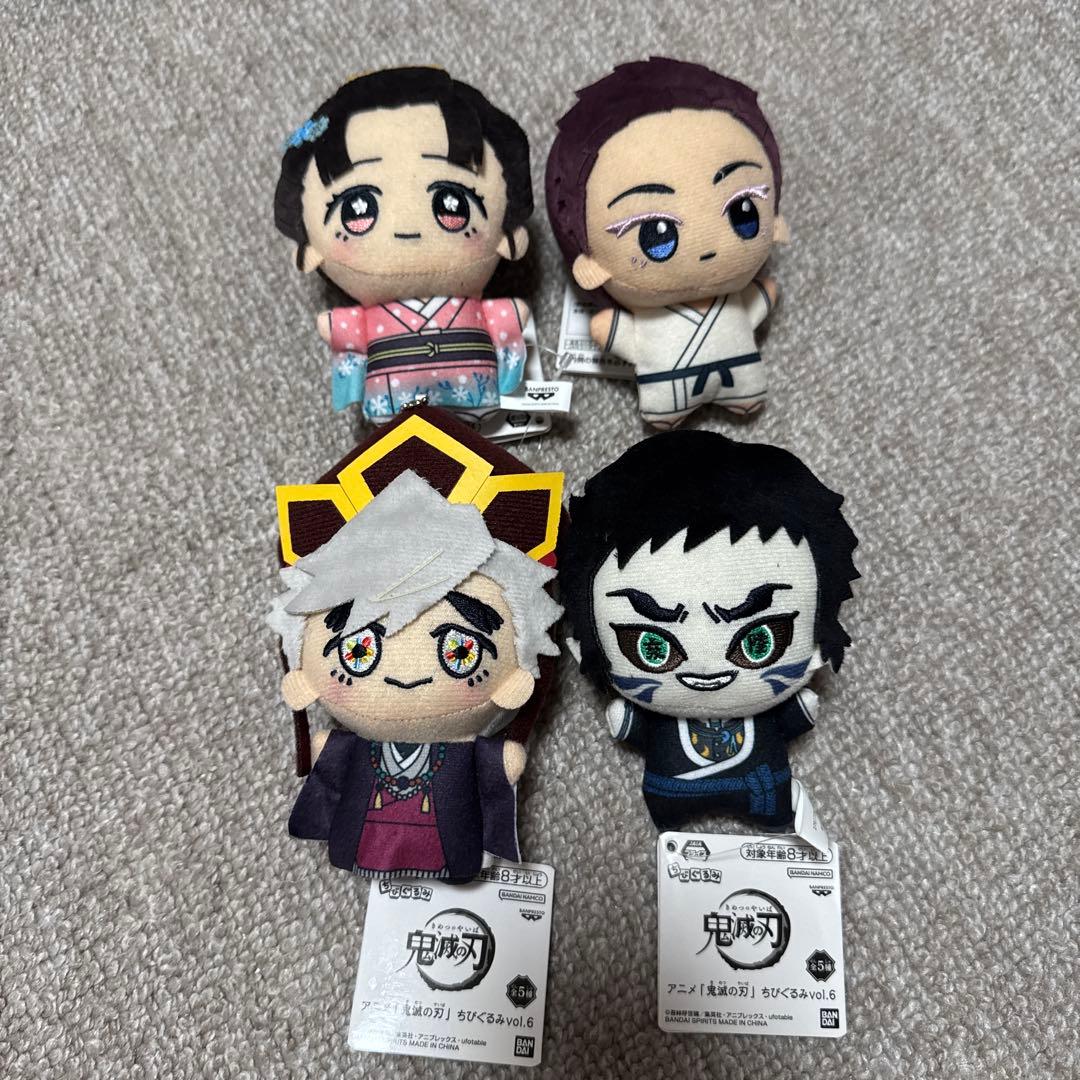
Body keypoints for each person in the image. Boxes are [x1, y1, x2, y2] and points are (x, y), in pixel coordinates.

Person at [556, 431, 858, 830]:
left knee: (770, 806)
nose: (707, 672)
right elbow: (634, 727)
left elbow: (795, 718)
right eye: (652, 647)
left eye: (759, 641)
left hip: (763, 788)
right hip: (677, 788)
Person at [269, 471, 561, 881]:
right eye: (359, 652)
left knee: (452, 849)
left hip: (450, 842)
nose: (405, 677)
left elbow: (499, 766)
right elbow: (329, 762)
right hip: (363, 834)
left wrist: (500, 761)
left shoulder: (463, 746)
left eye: (460, 651)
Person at [275, 67, 534, 419]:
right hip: (393, 407)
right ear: (309, 253)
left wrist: (508, 323)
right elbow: (347, 336)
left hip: (474, 400)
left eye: (451, 205)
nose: (406, 227)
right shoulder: (369, 313)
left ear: (510, 239)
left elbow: (507, 321)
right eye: (357, 210)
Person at [546, 58, 789, 428]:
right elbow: (611, 331)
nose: (706, 250)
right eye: (656, 235)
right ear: (590, 263)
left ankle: (737, 395)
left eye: (743, 212)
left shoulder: (732, 301)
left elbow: (763, 297)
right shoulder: (652, 318)